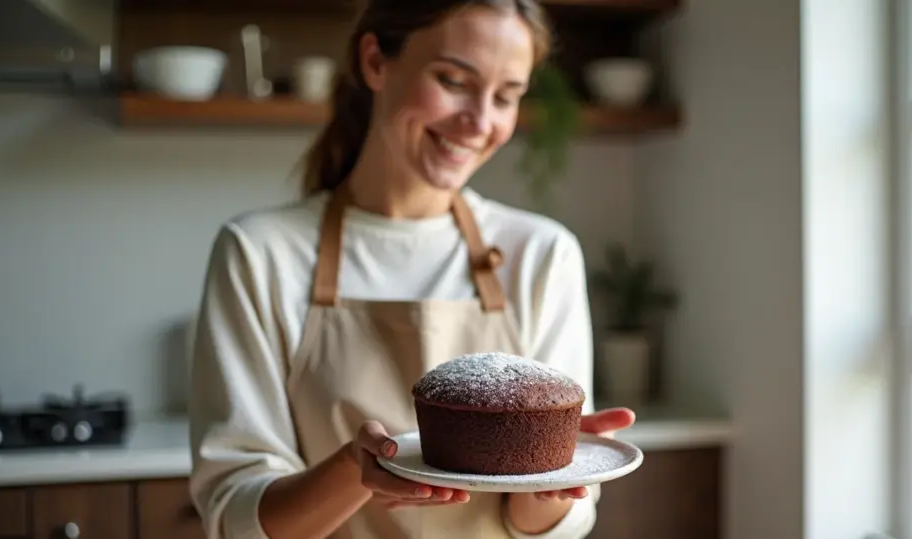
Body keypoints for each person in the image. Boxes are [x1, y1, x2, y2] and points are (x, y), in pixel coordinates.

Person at [187, 1, 637, 538]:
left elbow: (559, 527)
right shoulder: (260, 253)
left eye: (507, 96)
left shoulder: (540, 253)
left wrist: (553, 482)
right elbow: (236, 518)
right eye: (453, 80)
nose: (481, 121)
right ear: (376, 61)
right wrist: (358, 470)